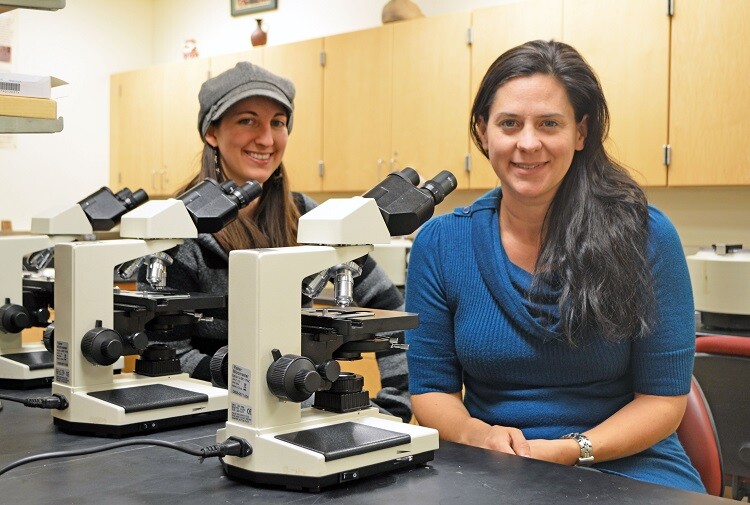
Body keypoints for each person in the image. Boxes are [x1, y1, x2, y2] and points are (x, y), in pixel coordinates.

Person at [405, 40, 705, 492]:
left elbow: (663, 401)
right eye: (509, 123)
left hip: (627, 465)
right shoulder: (440, 243)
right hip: (491, 466)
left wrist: (569, 450)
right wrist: (478, 435)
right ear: (483, 132)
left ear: (580, 133)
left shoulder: (646, 236)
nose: (528, 143)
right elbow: (431, 390)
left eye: (549, 123)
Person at [140, 62, 411, 423]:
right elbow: (166, 353)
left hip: (304, 410)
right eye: (247, 120)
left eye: (278, 123)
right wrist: (249, 377)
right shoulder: (177, 228)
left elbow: (389, 310)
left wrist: (397, 405)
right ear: (212, 134)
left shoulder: (307, 217)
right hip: (210, 420)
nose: (266, 139)